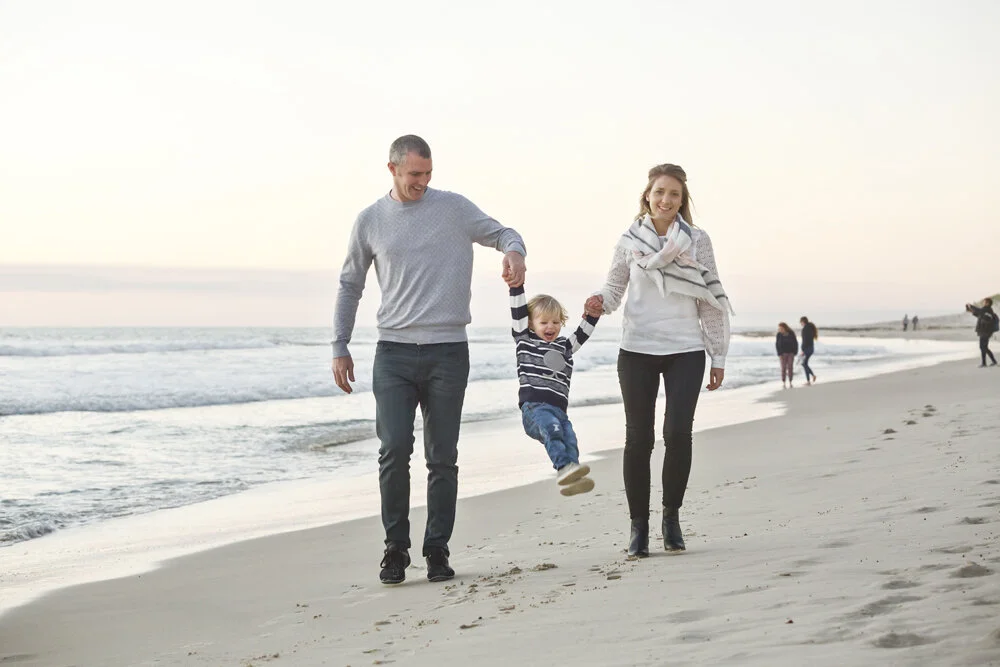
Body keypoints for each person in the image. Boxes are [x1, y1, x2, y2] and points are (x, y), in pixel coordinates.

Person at [332, 135, 527, 585]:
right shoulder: (370, 221)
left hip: (448, 352)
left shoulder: (453, 208)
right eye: (414, 174)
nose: (422, 182)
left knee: (442, 457)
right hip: (393, 353)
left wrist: (514, 252)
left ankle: (437, 548)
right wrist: (340, 344)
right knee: (393, 450)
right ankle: (395, 549)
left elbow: (504, 233)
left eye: (428, 174)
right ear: (393, 169)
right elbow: (350, 285)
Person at [585, 163, 731, 558]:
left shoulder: (696, 241)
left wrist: (718, 354)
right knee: (639, 439)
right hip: (637, 350)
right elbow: (614, 288)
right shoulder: (629, 240)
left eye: (674, 194)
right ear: (647, 197)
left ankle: (671, 519)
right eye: (660, 192)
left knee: (678, 434)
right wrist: (599, 302)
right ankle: (638, 527)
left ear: (682, 202)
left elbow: (710, 297)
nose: (666, 200)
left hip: (685, 349)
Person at [510, 284, 601, 496]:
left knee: (570, 439)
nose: (550, 326)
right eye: (543, 322)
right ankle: (563, 468)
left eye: (556, 322)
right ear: (530, 323)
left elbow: (582, 334)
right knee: (553, 431)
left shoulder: (564, 347)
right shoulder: (525, 341)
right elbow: (518, 312)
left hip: (560, 411)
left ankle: (573, 476)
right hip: (535, 409)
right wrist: (516, 286)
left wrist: (593, 315)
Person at [965, 298, 998, 368]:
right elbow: (979, 314)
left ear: (987, 303)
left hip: (985, 331)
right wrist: (970, 310)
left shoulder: (987, 309)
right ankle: (993, 362)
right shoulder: (987, 311)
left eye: (984, 302)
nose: (983, 303)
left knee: (983, 347)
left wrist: (971, 306)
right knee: (984, 347)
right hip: (985, 331)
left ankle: (985, 363)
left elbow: (979, 311)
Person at [776, 322, 799, 387]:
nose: (780, 329)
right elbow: (777, 344)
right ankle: (783, 382)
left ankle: (790, 381)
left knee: (790, 367)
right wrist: (779, 353)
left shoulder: (791, 333)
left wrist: (795, 352)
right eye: (779, 328)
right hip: (782, 354)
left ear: (784, 328)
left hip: (791, 353)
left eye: (781, 328)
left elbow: (796, 343)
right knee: (783, 368)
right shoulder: (779, 334)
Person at [799, 316, 818, 385]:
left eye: (801, 322)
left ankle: (812, 377)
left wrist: (803, 350)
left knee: (804, 364)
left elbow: (805, 341)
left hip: (807, 349)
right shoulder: (811, 328)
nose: (800, 324)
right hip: (811, 348)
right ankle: (809, 380)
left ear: (803, 322)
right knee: (805, 364)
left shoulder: (805, 329)